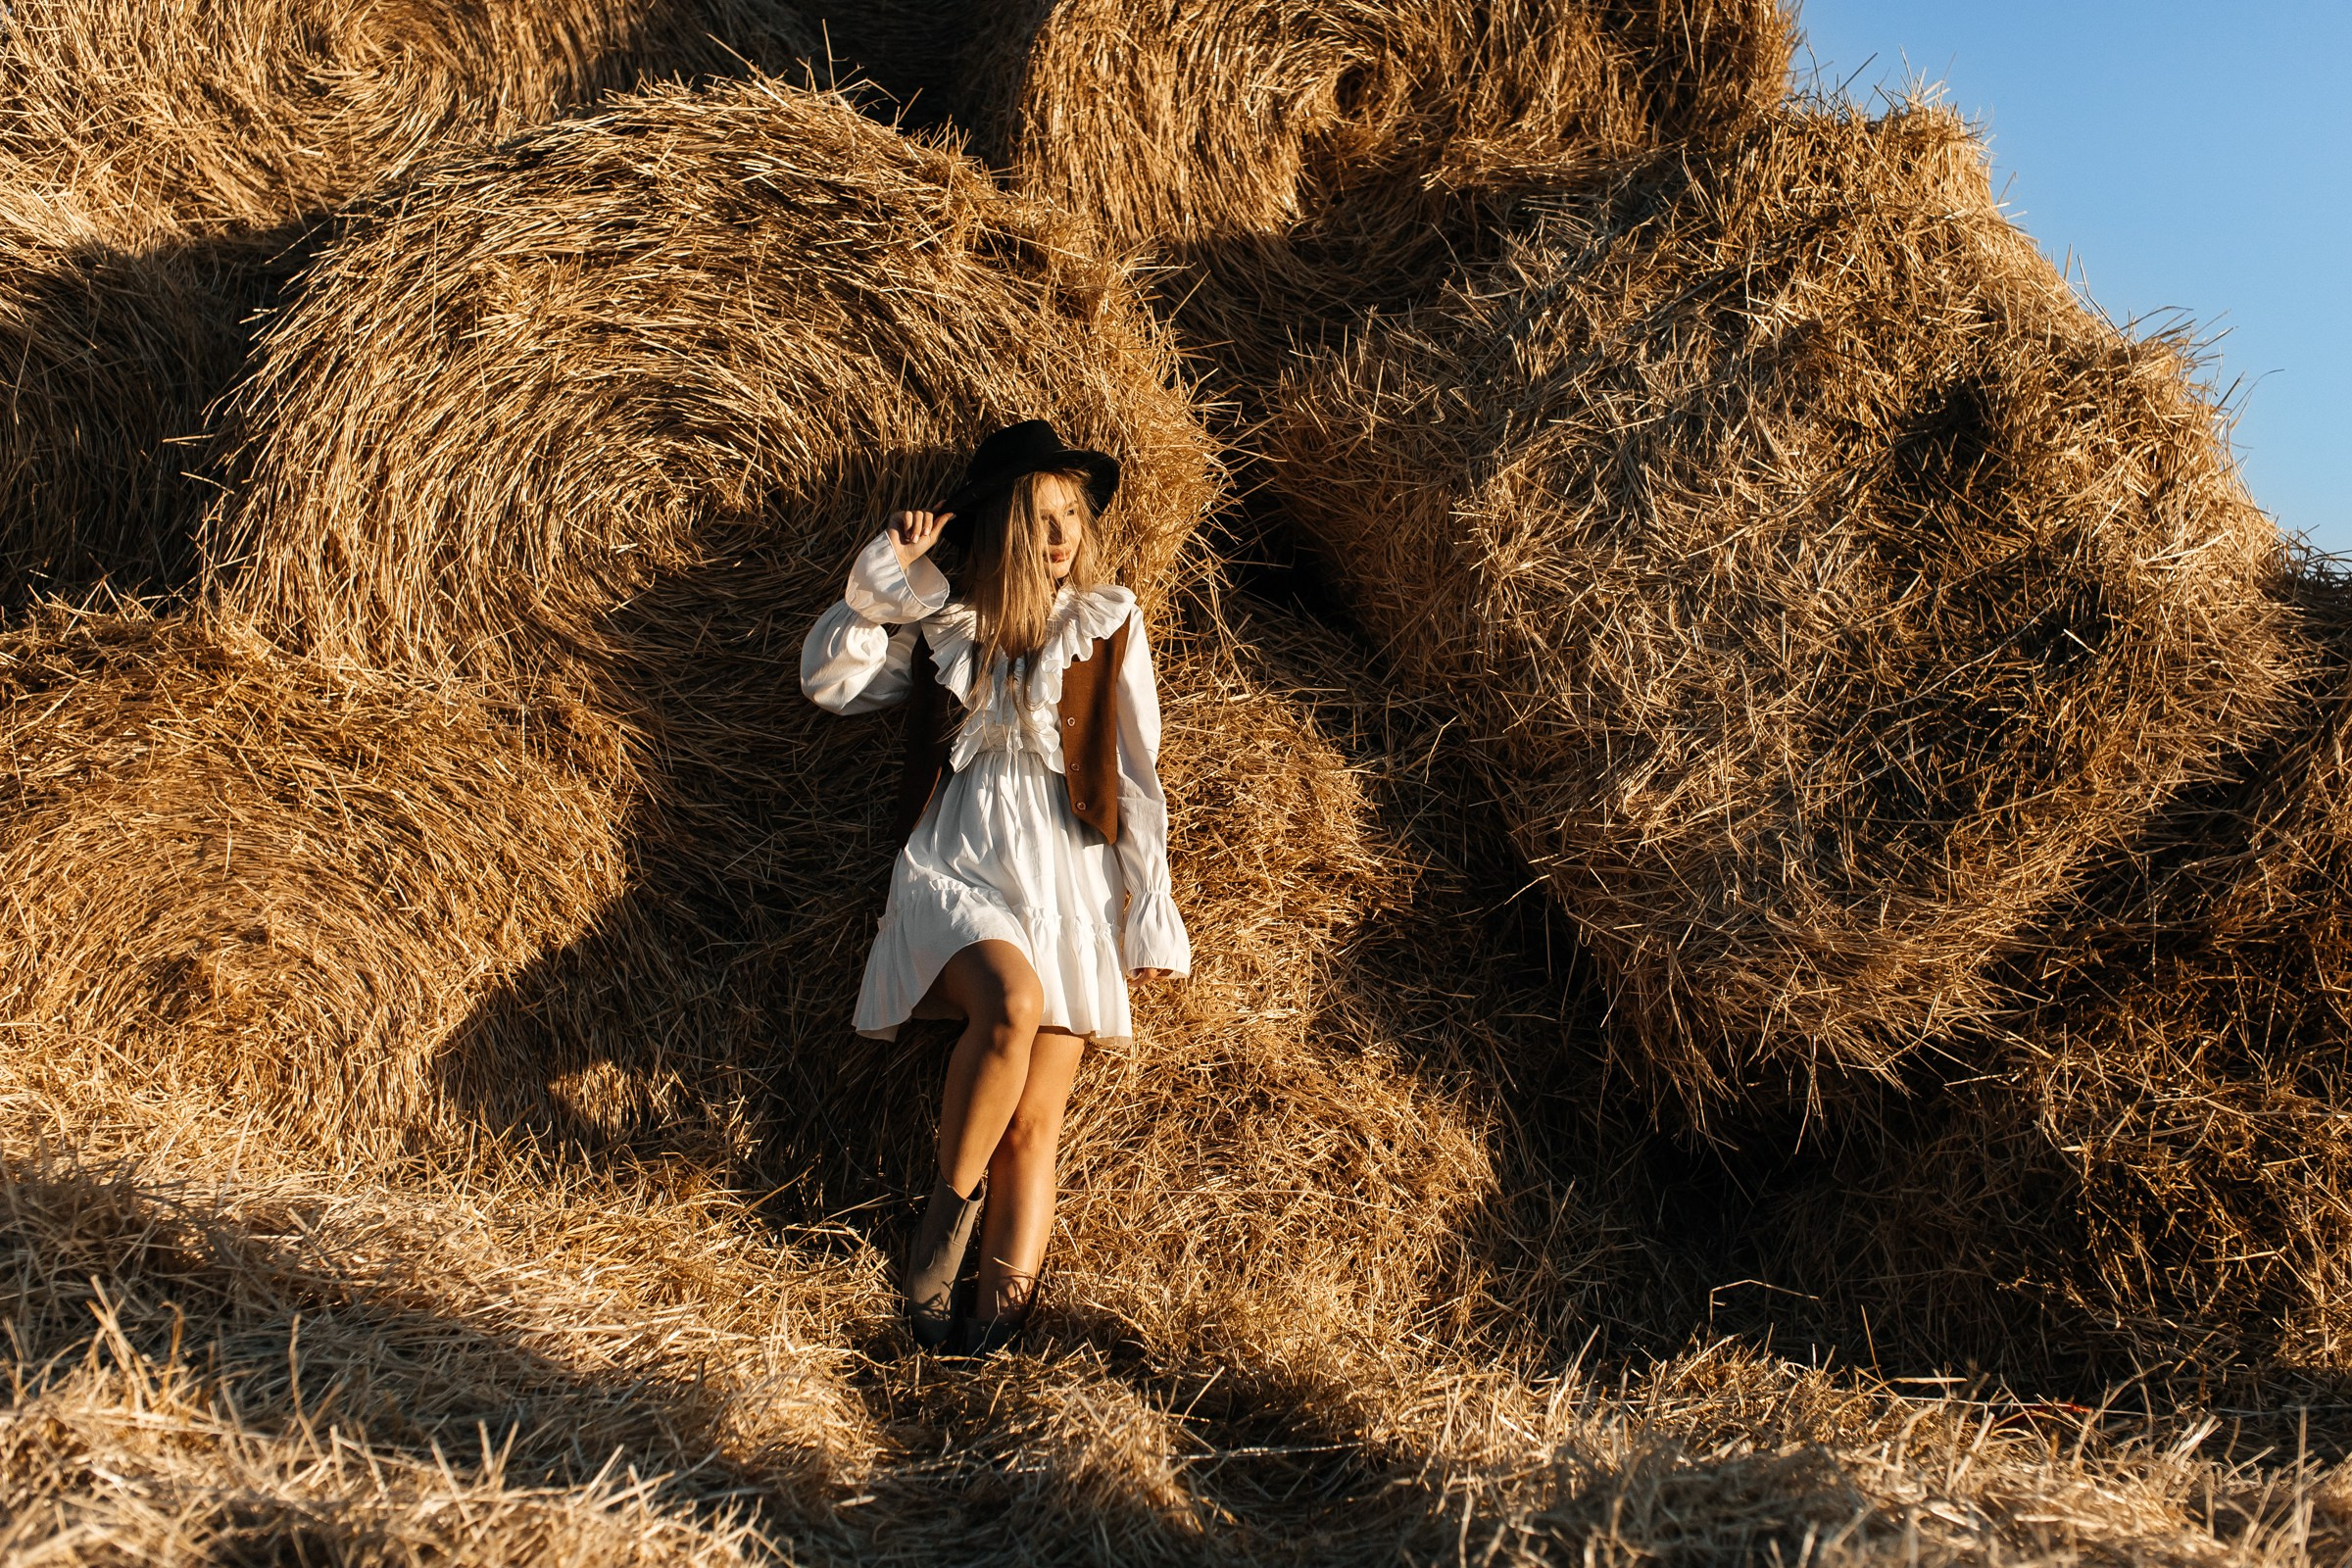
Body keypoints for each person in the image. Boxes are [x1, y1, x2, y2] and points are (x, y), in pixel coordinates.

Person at [800, 419, 1191, 1354]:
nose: (1060, 534)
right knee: (1011, 1002)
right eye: (1039, 516)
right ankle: (936, 1251)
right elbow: (829, 682)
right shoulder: (946, 628)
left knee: (1033, 1130)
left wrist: (1146, 908)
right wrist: (888, 574)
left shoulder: (1108, 623)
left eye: (1071, 515)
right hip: (959, 865)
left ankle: (983, 1348)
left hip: (1069, 880)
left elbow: (1137, 775)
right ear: (1003, 528)